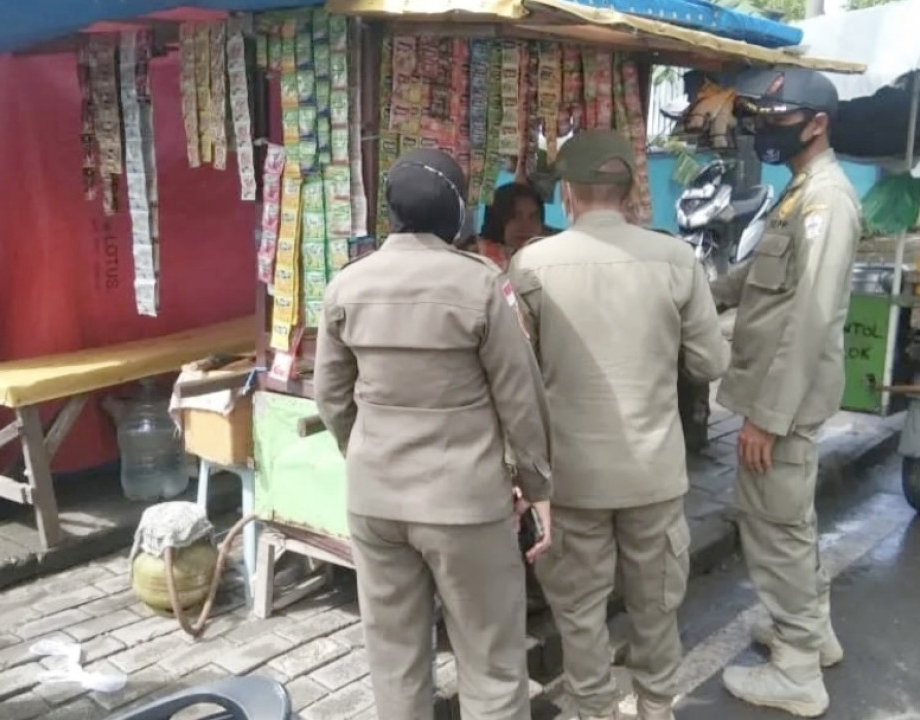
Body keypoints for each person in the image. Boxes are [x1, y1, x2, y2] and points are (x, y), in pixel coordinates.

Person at [314, 148, 555, 720]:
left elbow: (330, 396)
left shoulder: (347, 285)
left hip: (376, 501)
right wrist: (537, 487)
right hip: (465, 503)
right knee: (492, 663)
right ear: (455, 212)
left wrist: (365, 451)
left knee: (395, 663)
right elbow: (519, 398)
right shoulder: (480, 286)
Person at [508, 131, 729, 720]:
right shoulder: (678, 259)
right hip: (653, 474)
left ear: (570, 197)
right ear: (632, 191)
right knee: (656, 603)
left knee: (578, 609)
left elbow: (517, 378)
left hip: (572, 480)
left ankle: (593, 709)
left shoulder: (530, 264)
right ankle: (656, 706)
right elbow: (710, 363)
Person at [710, 68, 861, 717]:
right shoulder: (801, 192)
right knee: (789, 522)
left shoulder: (828, 199)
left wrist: (768, 419)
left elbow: (811, 316)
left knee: (773, 528)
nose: (766, 128)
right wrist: (696, 294)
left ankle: (797, 669)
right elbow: (758, 276)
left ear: (817, 123)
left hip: (786, 403)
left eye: (778, 117)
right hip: (780, 395)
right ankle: (810, 630)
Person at [476, 182, 556, 267]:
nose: (526, 226)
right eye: (515, 216)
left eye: (533, 217)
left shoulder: (550, 257)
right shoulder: (478, 262)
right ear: (496, 220)